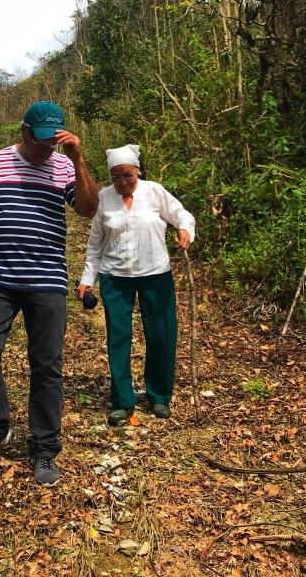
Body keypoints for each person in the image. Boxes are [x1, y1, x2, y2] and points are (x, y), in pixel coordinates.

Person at [0, 101, 97, 487]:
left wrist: (79, 159)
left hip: (47, 280)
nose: (46, 149)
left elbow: (87, 208)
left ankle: (45, 447)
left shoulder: (65, 165)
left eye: (53, 141)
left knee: (46, 363)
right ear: (23, 131)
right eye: (40, 141)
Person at [76, 144, 195, 425]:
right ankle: (122, 400)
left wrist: (184, 230)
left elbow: (182, 214)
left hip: (155, 274)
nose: (122, 182)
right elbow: (95, 246)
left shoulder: (154, 191)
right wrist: (86, 282)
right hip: (115, 278)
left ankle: (159, 395)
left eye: (127, 175)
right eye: (116, 177)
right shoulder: (103, 199)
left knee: (161, 334)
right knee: (118, 337)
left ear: (137, 171)